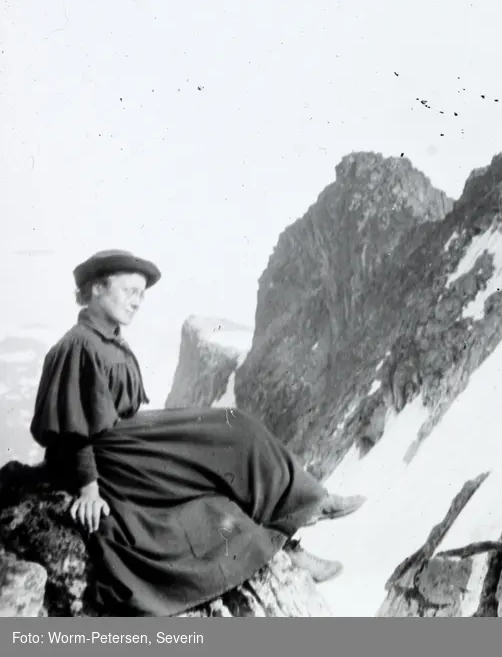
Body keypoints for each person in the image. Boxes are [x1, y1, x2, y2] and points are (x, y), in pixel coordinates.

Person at [29, 249, 366, 616]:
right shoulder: (79, 345)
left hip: (122, 448)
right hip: (104, 461)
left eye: (141, 294)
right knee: (221, 456)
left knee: (234, 430)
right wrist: (89, 490)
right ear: (96, 289)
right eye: (129, 291)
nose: (137, 302)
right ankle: (295, 526)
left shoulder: (109, 341)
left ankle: (303, 512)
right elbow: (73, 429)